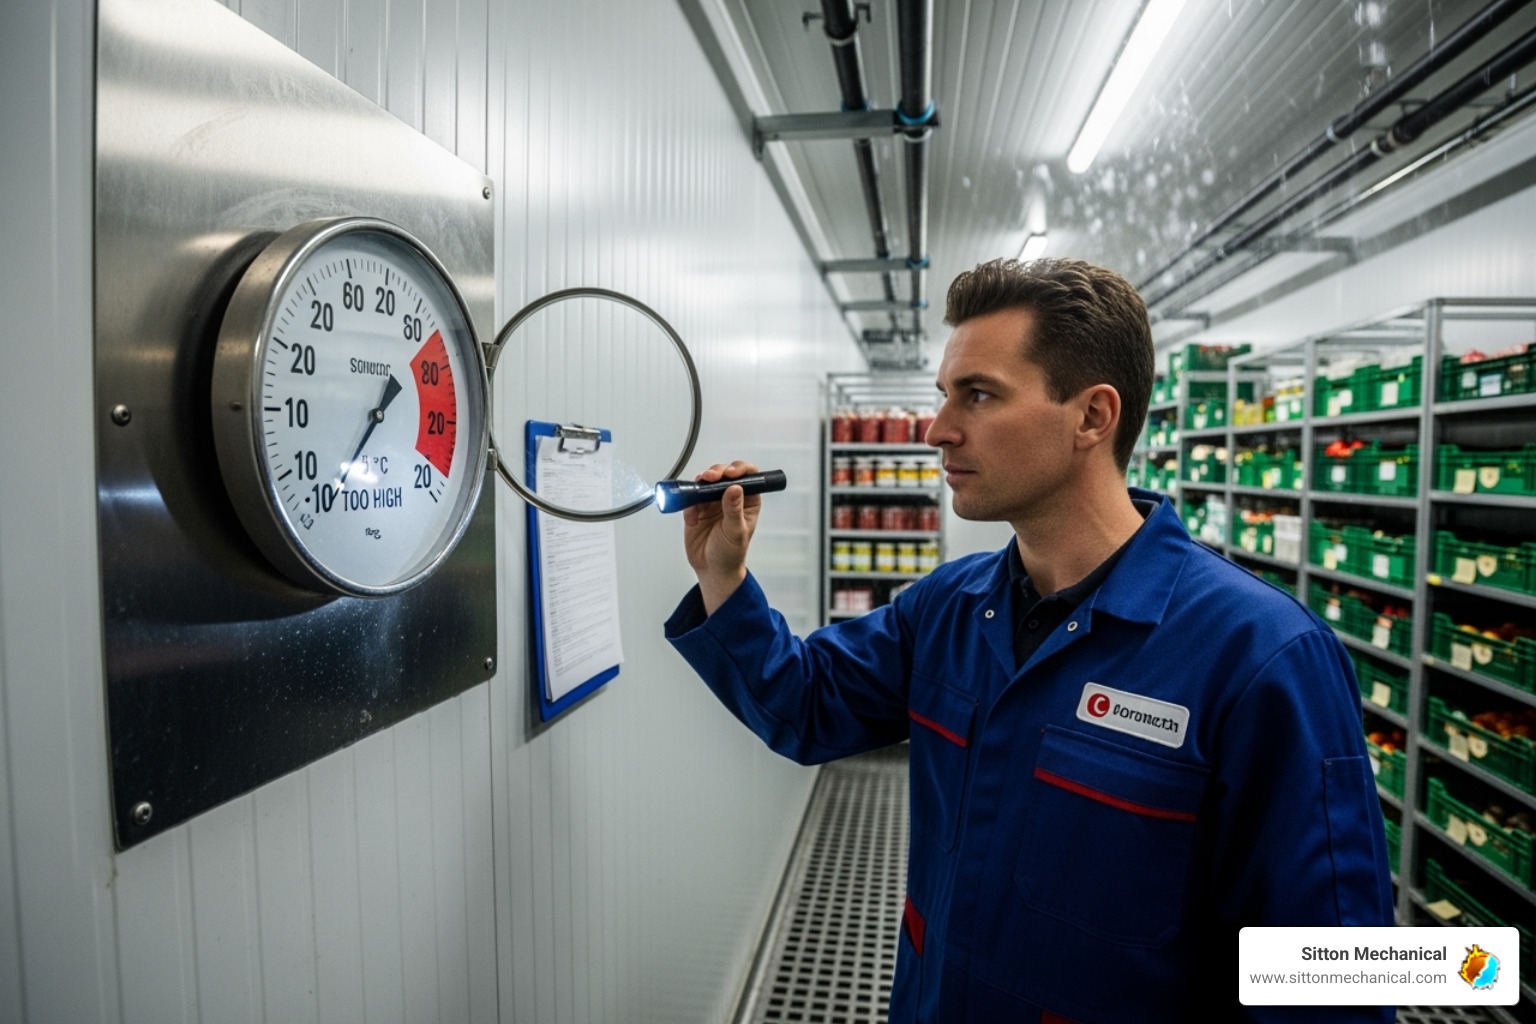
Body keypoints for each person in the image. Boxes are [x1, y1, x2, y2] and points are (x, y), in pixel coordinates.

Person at [664, 257, 1394, 1023]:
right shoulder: (952, 606)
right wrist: (725, 578)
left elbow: (1333, 984)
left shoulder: (1262, 657)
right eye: (944, 396)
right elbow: (804, 703)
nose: (938, 430)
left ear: (1092, 417)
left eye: (978, 396)